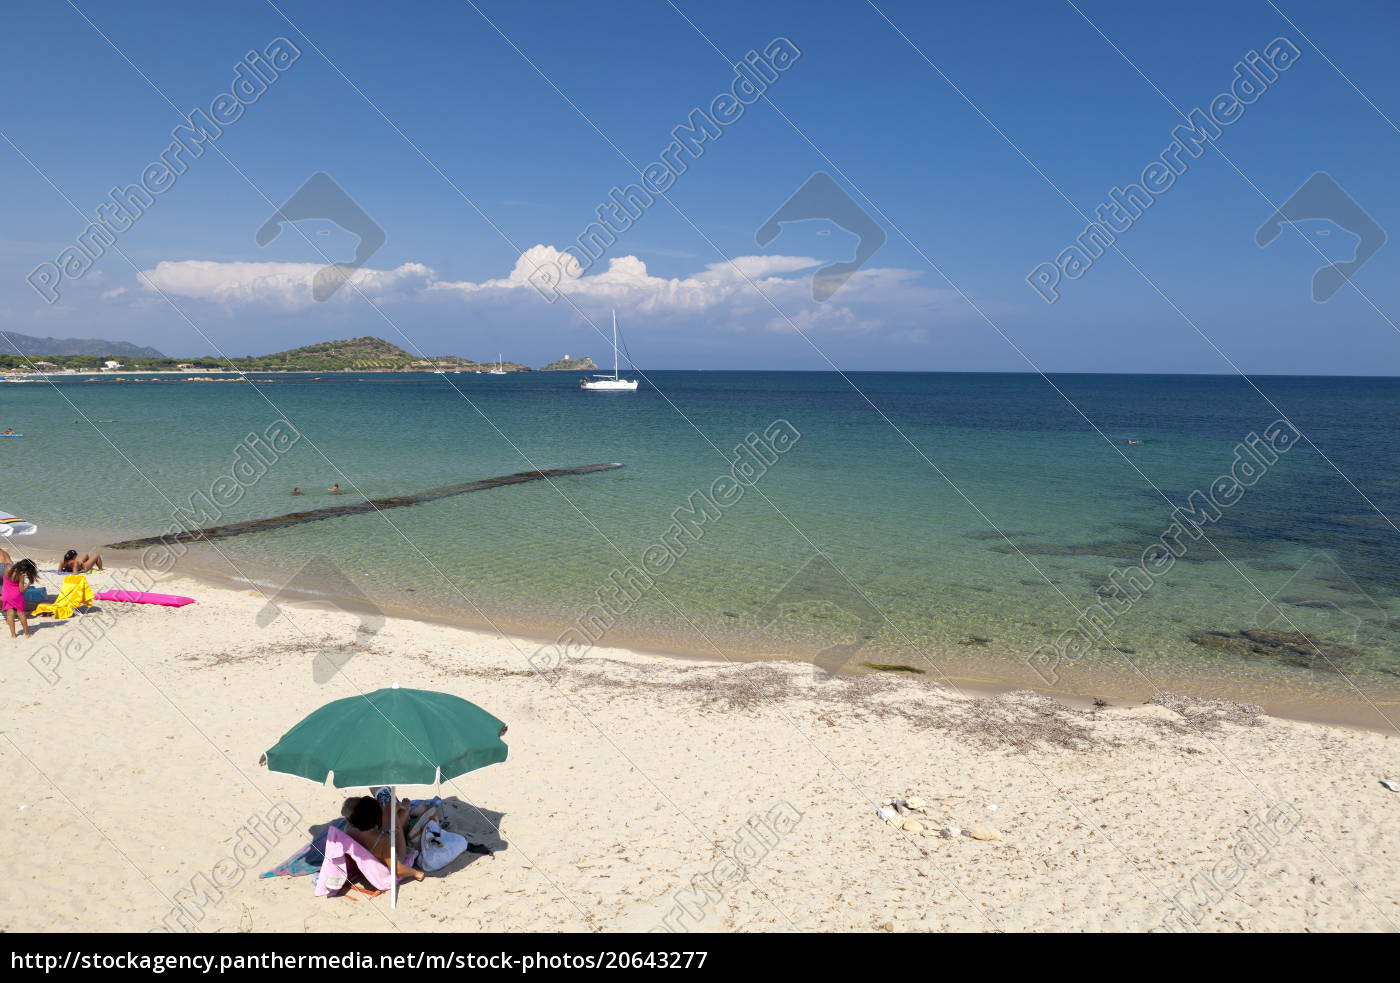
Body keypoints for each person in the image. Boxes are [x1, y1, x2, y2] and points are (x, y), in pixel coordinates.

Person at [342, 796, 424, 882]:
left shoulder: (349, 829)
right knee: (400, 815)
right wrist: (416, 873)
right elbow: (398, 869)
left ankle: (399, 810)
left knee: (391, 812)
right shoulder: (383, 840)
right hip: (396, 857)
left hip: (373, 850)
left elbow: (348, 812)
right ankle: (406, 811)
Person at [4, 558, 37, 639]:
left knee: (10, 614)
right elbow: (21, 590)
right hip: (16, 595)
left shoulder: (7, 567)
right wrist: (29, 583)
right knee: (21, 614)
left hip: (6, 594)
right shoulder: (21, 575)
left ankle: (13, 635)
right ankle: (27, 633)